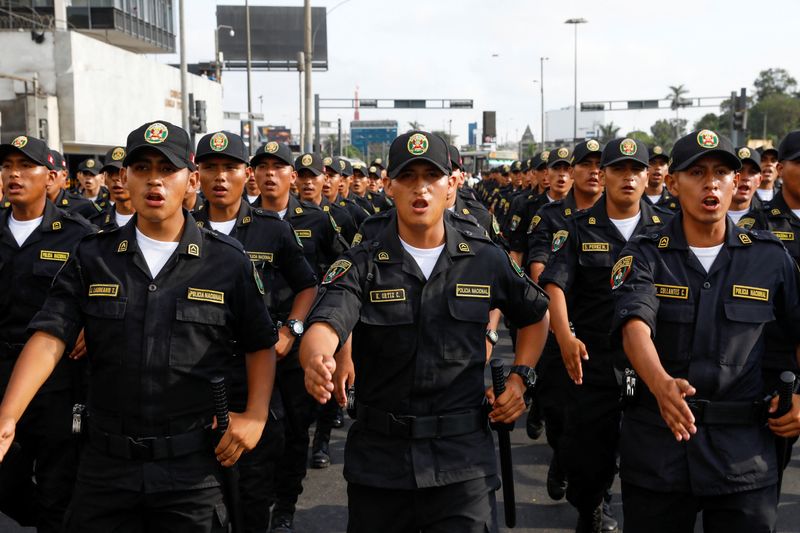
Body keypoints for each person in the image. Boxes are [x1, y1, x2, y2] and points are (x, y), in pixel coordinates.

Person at [0, 121, 278, 532]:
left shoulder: (227, 262)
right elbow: (51, 334)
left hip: (192, 469)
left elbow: (259, 342)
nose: (154, 181)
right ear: (125, 178)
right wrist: (7, 417)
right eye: (142, 168)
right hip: (105, 466)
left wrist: (254, 415)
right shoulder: (94, 255)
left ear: (191, 181)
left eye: (167, 170)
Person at [300, 130, 550, 533]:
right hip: (380, 464)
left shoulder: (484, 258)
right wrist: (317, 356)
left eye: (431, 176)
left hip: (461, 463)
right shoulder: (363, 262)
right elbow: (327, 319)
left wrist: (522, 378)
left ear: (451, 184)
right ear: (389, 187)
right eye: (408, 177)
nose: (420, 188)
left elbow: (537, 314)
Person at [612, 129, 800, 533]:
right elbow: (634, 326)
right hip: (659, 447)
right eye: (696, 172)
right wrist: (661, 384)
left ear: (736, 182)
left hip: (744, 454)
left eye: (721, 172)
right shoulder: (645, 252)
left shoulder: (770, 259)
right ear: (675, 183)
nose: (711, 182)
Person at [540, 138, 673, 532]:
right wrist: (564, 336)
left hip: (648, 361)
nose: (628, 178)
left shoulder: (667, 228)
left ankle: (612, 507)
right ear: (605, 176)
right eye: (619, 170)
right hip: (593, 359)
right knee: (588, 452)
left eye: (636, 170)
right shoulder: (579, 227)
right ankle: (589, 503)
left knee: (644, 453)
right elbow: (555, 285)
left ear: (648, 174)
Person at [194, 131, 318, 533]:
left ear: (243, 175)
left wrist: (292, 329)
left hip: (260, 369)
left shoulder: (270, 229)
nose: (219, 177)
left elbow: (308, 284)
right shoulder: (185, 228)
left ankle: (281, 505)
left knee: (253, 490)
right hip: (198, 370)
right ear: (196, 176)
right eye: (210, 168)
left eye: (229, 168)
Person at [0, 135, 95, 532]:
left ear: (51, 175)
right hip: (2, 372)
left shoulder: (78, 234)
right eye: (7, 166)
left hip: (58, 380)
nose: (14, 174)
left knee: (59, 479)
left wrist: (91, 324)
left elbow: (105, 291)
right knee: (6, 481)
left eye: (26, 166)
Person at [252, 143, 348, 533]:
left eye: (279, 167)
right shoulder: (241, 221)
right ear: (253, 174)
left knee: (293, 430)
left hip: (297, 342)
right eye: (263, 167)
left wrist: (335, 342)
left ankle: (285, 506)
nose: (270, 174)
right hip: (245, 345)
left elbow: (338, 276)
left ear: (291, 176)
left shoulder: (317, 220)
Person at [524, 139, 605, 503]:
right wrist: (560, 323)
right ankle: (562, 458)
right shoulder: (553, 217)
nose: (593, 171)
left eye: (600, 164)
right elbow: (539, 266)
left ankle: (597, 502)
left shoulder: (617, 217)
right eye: (585, 164)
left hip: (606, 336)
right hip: (560, 329)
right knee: (560, 414)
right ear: (572, 171)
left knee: (608, 422)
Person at [90, 146, 136, 231]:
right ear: (104, 178)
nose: (115, 178)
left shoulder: (151, 221)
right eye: (111, 173)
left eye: (122, 173)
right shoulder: (95, 223)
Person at [46, 150, 100, 219]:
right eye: (44, 172)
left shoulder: (84, 206)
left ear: (64, 174)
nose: (48, 177)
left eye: (53, 173)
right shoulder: (30, 206)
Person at [728, 146, 762, 227]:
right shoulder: (709, 213)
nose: (745, 177)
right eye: (739, 171)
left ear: (759, 180)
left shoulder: (769, 217)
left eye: (752, 172)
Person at [644, 145, 679, 211]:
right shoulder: (635, 199)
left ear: (667, 169)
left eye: (662, 164)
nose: (658, 167)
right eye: (652, 163)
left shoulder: (676, 199)